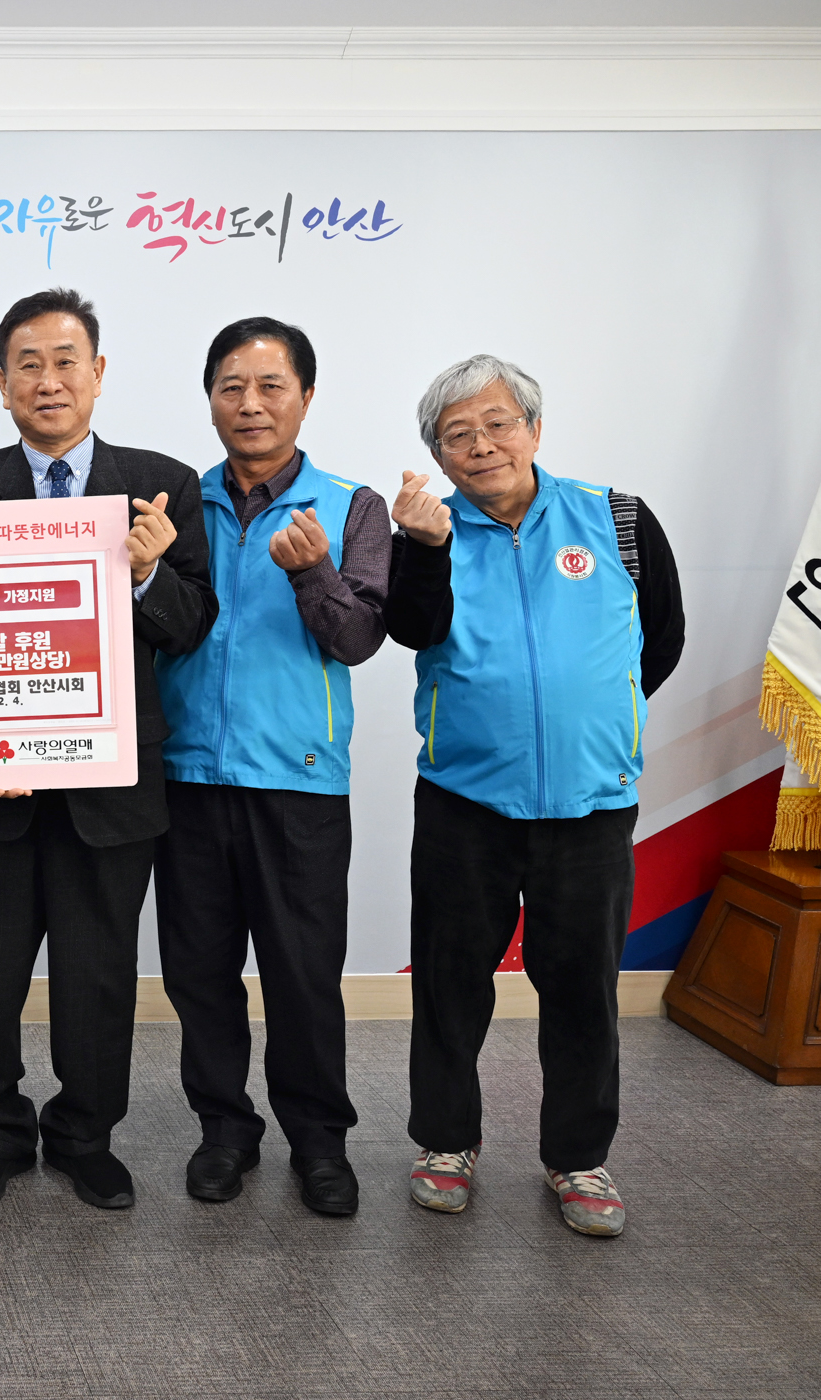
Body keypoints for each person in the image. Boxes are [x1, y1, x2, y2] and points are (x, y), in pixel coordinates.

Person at [386, 354, 684, 1238]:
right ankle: (446, 1142)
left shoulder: (617, 518)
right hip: (464, 803)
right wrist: (423, 549)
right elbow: (411, 629)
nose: (481, 446)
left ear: (535, 429)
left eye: (498, 424)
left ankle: (578, 1157)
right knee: (450, 985)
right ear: (438, 455)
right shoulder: (431, 532)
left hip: (591, 806)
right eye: (458, 435)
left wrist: (588, 717)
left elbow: (660, 640)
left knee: (583, 990)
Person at [0, 288, 216, 1210]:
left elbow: (192, 627)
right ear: (1, 382)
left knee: (98, 974)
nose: (48, 381)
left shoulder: (161, 485)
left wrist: (147, 572)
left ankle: (86, 1135)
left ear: (98, 374)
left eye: (65, 362)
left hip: (114, 781)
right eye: (29, 365)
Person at [150, 318, 386, 1216]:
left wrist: (313, 572)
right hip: (188, 778)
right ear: (210, 399)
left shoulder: (351, 507)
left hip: (299, 782)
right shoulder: (175, 504)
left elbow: (359, 639)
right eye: (231, 387)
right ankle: (225, 1130)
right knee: (198, 973)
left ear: (306, 398)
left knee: (303, 975)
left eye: (271, 386)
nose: (250, 404)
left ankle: (319, 1142)